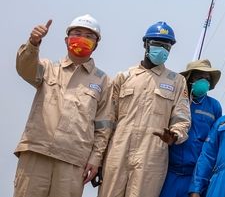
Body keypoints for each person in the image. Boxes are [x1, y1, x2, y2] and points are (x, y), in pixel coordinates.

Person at [13, 15, 113, 197]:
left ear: (96, 44)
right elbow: (24, 68)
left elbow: (103, 126)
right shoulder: (48, 68)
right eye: (77, 33)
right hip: (37, 151)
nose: (82, 38)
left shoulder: (103, 81)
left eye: (89, 36)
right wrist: (33, 43)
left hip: (73, 161)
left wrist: (96, 159)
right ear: (67, 40)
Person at [99, 21, 191, 197]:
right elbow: (107, 120)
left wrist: (175, 136)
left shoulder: (177, 81)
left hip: (152, 155)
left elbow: (182, 119)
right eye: (158, 44)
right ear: (146, 44)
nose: (162, 49)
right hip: (118, 150)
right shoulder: (124, 77)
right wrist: (98, 159)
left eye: (167, 46)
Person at [158, 59, 223, 197]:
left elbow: (214, 144)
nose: (204, 81)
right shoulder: (175, 100)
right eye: (199, 77)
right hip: (169, 173)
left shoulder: (214, 106)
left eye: (207, 78)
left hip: (196, 176)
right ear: (189, 78)